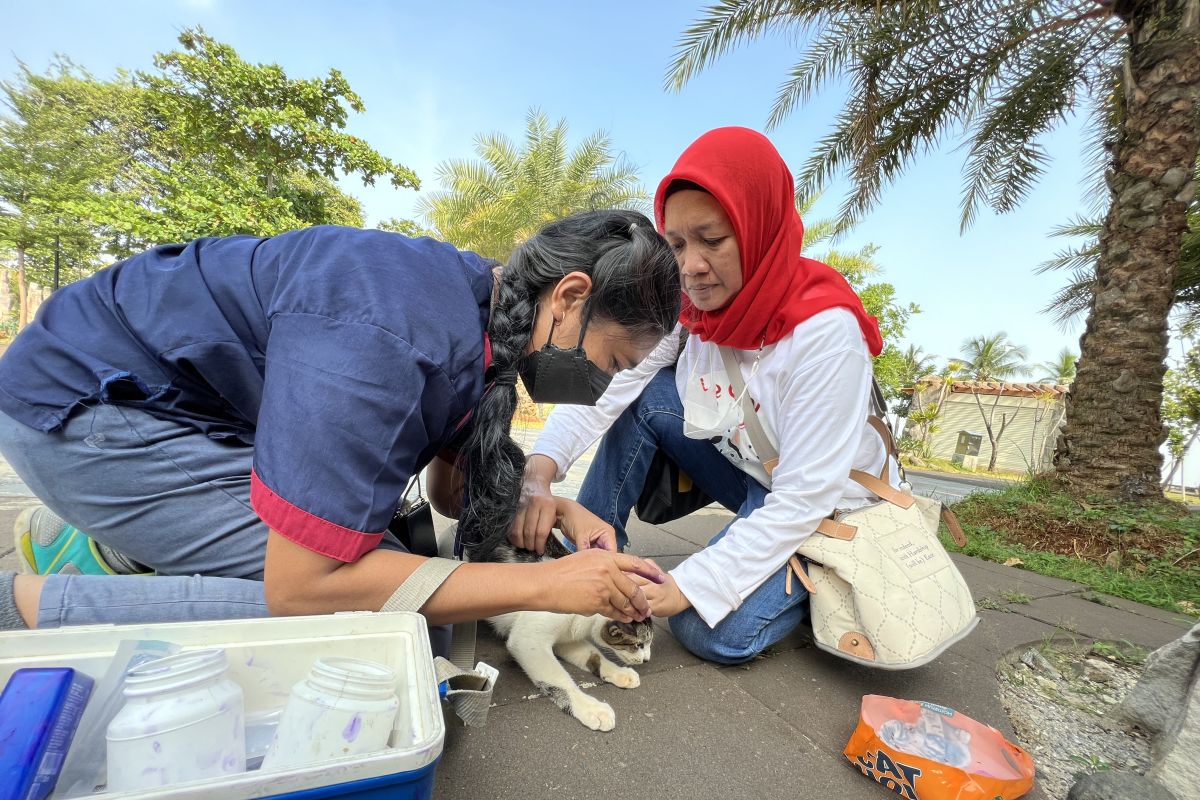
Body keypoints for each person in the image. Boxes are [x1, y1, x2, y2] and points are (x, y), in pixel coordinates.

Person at [0, 211, 678, 651]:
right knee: (381, 623)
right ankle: (32, 607)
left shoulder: (482, 315)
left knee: (391, 574)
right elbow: (301, 588)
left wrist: (548, 504)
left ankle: (119, 542)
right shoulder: (393, 334)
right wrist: (546, 587)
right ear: (569, 298)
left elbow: (448, 494)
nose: (603, 384)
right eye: (613, 361)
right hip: (81, 411)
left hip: (168, 412)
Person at [512, 127, 894, 664]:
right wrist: (539, 471)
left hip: (827, 499)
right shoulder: (688, 313)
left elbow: (805, 494)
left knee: (706, 631)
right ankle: (589, 557)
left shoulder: (826, 334)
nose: (690, 266)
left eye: (712, 240)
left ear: (757, 228)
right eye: (676, 244)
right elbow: (612, 392)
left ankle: (817, 578)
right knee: (646, 392)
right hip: (750, 471)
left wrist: (690, 584)